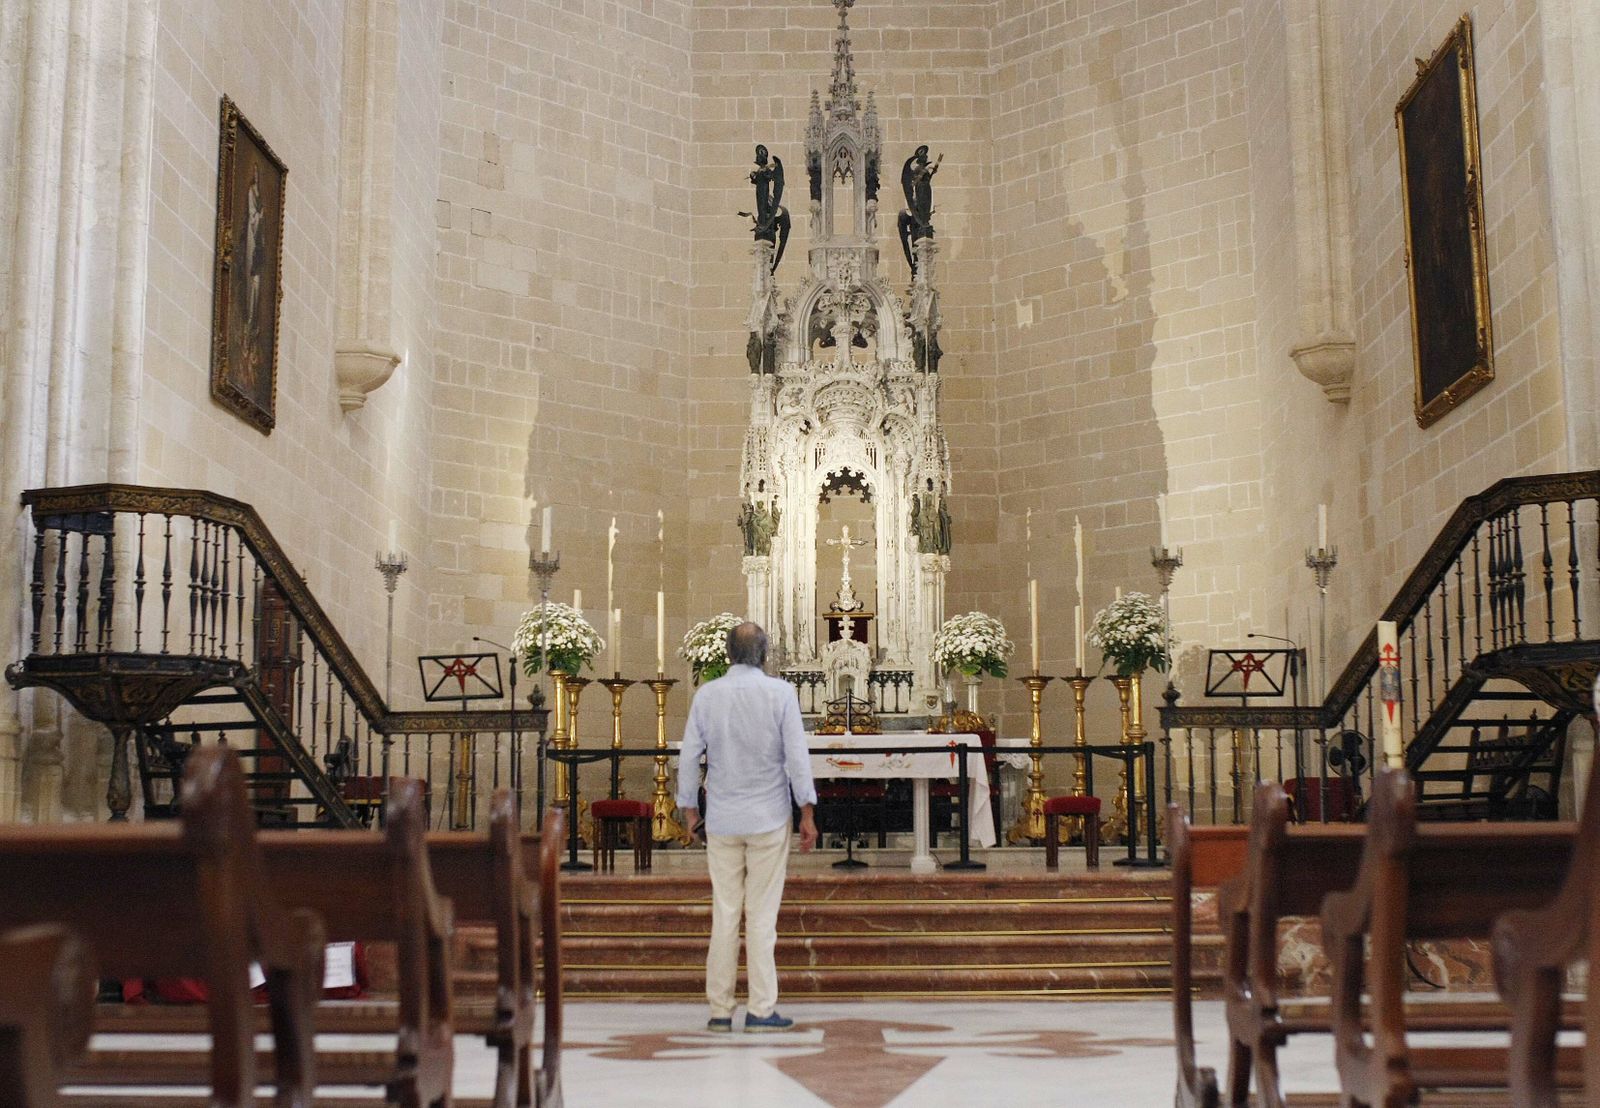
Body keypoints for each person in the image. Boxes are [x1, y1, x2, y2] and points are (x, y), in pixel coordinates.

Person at [677, 621, 818, 1033]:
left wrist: (689, 809)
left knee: (724, 913)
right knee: (761, 915)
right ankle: (760, 1008)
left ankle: (720, 1010)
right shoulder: (780, 693)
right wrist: (807, 811)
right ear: (765, 654)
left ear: (728, 654)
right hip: (768, 817)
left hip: (722, 818)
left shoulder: (707, 694)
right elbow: (796, 756)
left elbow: (689, 755)